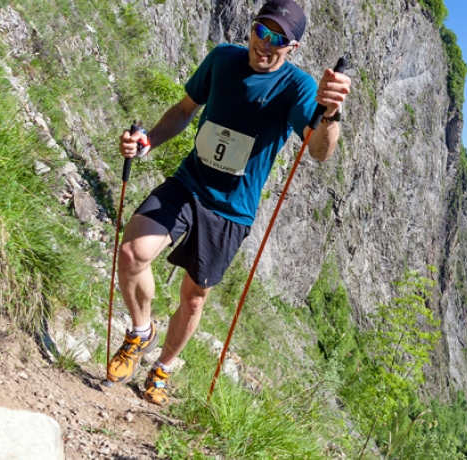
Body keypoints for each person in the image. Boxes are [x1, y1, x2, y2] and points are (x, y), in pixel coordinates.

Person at [104, 0, 351, 406]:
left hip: (231, 209)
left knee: (194, 296)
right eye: (260, 30)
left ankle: (162, 367)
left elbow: (319, 151)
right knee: (132, 252)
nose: (264, 43)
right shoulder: (222, 59)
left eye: (278, 38)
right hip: (189, 182)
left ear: (294, 47)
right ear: (252, 28)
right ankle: (140, 331)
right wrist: (147, 141)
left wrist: (332, 114)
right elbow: (185, 110)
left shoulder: (298, 87)